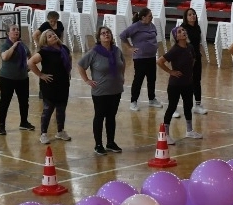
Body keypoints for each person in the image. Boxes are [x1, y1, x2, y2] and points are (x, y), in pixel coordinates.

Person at [77, 25, 126, 154]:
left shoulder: (117, 50)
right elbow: (80, 65)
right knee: (99, 116)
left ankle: (110, 142)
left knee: (111, 116)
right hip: (100, 91)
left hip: (116, 89)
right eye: (103, 33)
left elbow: (122, 63)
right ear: (99, 38)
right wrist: (87, 80)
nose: (106, 35)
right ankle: (98, 144)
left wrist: (122, 76)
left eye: (108, 32)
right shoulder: (94, 52)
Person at [29, 29, 72, 146]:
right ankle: (43, 134)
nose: (53, 36)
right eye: (49, 36)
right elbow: (30, 63)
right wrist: (41, 75)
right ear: (45, 41)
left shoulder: (64, 49)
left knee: (61, 109)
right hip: (49, 84)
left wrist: (68, 71)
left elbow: (69, 58)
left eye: (53, 34)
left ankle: (60, 131)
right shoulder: (44, 52)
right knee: (48, 109)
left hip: (63, 83)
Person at [158, 26, 202, 139]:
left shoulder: (190, 47)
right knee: (172, 107)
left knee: (188, 106)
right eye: (179, 31)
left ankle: (189, 130)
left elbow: (193, 59)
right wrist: (171, 71)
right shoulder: (175, 50)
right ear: (176, 37)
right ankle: (165, 134)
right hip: (175, 85)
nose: (183, 32)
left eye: (183, 30)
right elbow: (160, 61)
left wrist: (188, 72)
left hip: (188, 83)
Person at [0, 24, 35, 136]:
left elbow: (30, 56)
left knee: (24, 101)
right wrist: (13, 46)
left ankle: (24, 122)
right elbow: (5, 57)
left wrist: (28, 66)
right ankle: (1, 125)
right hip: (7, 78)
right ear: (8, 33)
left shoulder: (22, 45)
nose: (16, 31)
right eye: (13, 29)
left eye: (17, 29)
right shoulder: (5, 45)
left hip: (22, 78)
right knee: (5, 102)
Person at [120, 8, 161, 110]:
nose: (152, 17)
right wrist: (130, 47)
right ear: (143, 17)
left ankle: (152, 99)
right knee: (138, 79)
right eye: (150, 16)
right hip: (140, 58)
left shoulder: (152, 25)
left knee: (152, 79)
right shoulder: (136, 26)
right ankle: (133, 101)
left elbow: (154, 37)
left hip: (151, 57)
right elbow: (123, 36)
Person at [179, 8, 209, 115]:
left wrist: (199, 53)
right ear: (186, 17)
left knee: (197, 81)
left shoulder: (197, 27)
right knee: (184, 82)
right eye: (190, 14)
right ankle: (177, 104)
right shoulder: (183, 28)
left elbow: (198, 43)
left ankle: (197, 105)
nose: (193, 16)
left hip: (197, 58)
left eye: (194, 14)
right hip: (187, 59)